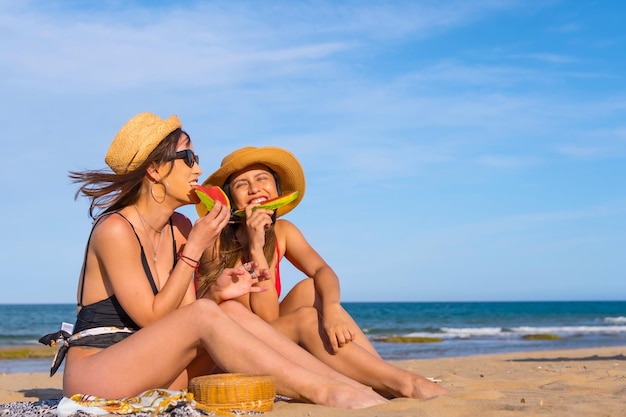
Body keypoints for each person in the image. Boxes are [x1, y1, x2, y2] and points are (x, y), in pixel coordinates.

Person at [41, 112, 389, 409]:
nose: (198, 168)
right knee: (212, 312)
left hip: (159, 368)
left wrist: (217, 293)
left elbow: (187, 315)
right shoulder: (115, 229)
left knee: (230, 309)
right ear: (155, 170)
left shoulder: (179, 226)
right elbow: (151, 317)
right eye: (188, 157)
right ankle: (325, 391)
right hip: (101, 374)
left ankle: (344, 384)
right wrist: (195, 249)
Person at [196, 146, 448, 399]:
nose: (254, 189)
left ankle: (381, 375)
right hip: (238, 347)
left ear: (277, 188)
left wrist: (332, 309)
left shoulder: (283, 230)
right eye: (242, 184)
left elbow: (322, 270)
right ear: (229, 198)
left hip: (272, 335)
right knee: (306, 318)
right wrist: (256, 247)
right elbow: (266, 317)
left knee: (311, 288)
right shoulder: (216, 244)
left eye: (262, 179)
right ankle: (399, 383)